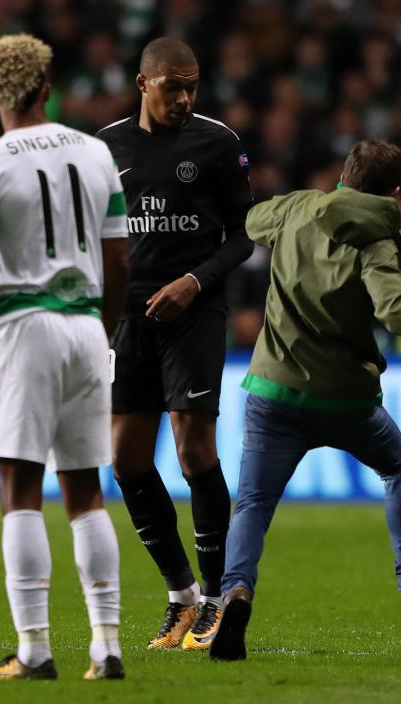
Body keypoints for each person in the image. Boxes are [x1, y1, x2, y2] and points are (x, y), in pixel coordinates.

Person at [208, 140, 401, 661]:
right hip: (344, 399)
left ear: (344, 174)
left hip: (273, 390)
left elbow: (249, 222)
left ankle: (235, 591)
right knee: (399, 467)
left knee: (253, 503)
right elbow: (396, 311)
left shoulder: (295, 207)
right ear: (393, 190)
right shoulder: (377, 240)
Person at [0, 34, 129, 681]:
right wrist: (102, 336)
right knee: (84, 490)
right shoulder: (96, 151)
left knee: (19, 487)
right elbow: (119, 260)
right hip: (85, 328)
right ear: (47, 89)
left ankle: (34, 650)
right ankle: (106, 646)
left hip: (22, 328)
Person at [95, 37, 253, 651]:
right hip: (129, 318)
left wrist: (194, 282)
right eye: (173, 86)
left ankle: (217, 597)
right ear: (143, 83)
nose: (185, 97)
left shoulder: (217, 143)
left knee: (193, 450)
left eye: (193, 86)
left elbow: (243, 235)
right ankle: (181, 596)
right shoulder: (106, 148)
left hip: (194, 312)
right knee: (127, 459)